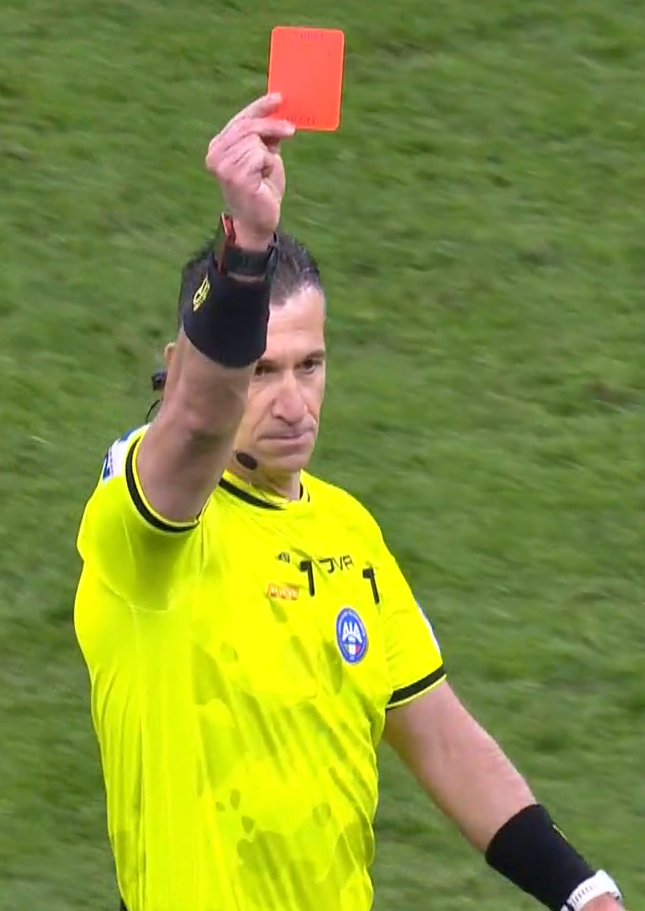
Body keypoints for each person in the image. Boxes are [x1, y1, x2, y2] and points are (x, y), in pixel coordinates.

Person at [73, 94, 625, 911]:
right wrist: (246, 246)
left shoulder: (346, 530)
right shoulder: (148, 530)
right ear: (178, 364)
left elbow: (440, 737)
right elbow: (192, 426)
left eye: (310, 365)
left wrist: (583, 891)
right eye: (262, 371)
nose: (292, 403)